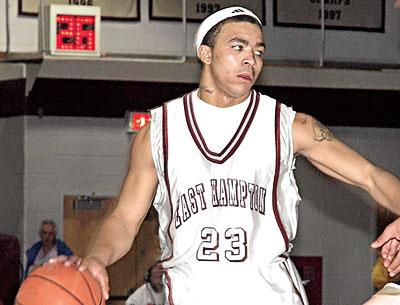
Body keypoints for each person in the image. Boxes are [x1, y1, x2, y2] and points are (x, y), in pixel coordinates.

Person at [51, 6, 400, 305]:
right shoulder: (159, 132)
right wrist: (96, 258)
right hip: (191, 294)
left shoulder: (291, 126)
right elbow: (124, 221)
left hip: (269, 296)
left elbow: (371, 176)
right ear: (205, 53)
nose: (252, 58)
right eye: (238, 46)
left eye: (259, 51)